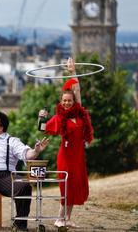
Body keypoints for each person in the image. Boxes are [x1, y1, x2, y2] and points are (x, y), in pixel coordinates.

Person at [39, 57, 94, 229]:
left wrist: (73, 72)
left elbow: (77, 89)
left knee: (75, 185)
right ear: (61, 103)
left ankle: (67, 218)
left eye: (70, 100)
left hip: (78, 156)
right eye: (64, 101)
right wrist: (42, 118)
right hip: (66, 156)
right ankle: (59, 219)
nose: (68, 103)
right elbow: (42, 130)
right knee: (66, 188)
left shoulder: (79, 114)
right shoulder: (59, 118)